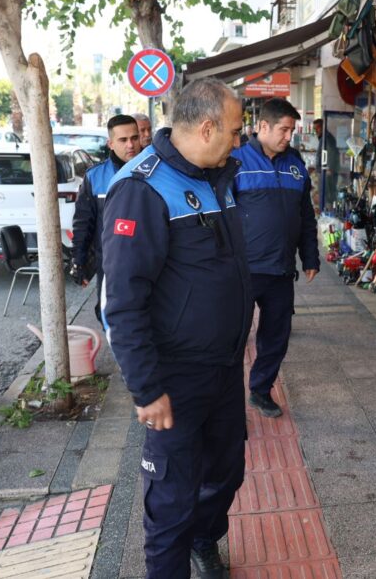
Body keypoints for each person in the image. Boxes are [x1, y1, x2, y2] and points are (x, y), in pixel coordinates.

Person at [100, 79, 250, 579]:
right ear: (206, 127)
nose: (239, 139)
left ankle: (203, 540)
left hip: (224, 366)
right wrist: (148, 390)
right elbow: (122, 302)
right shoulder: (141, 188)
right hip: (175, 378)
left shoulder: (217, 175)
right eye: (233, 130)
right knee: (171, 500)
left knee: (226, 472)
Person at [231, 98, 320, 418]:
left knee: (276, 337)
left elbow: (305, 214)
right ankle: (225, 397)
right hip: (242, 270)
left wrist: (310, 256)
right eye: (284, 130)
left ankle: (260, 390)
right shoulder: (235, 161)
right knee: (231, 336)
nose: (288, 137)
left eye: (292, 131)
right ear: (263, 127)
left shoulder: (295, 164)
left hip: (281, 270)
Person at [69, 115, 143, 320]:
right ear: (110, 143)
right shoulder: (94, 177)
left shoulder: (155, 172)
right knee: (109, 314)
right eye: (123, 140)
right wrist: (79, 260)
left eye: (134, 138)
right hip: (110, 264)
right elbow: (83, 224)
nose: (131, 144)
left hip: (148, 260)